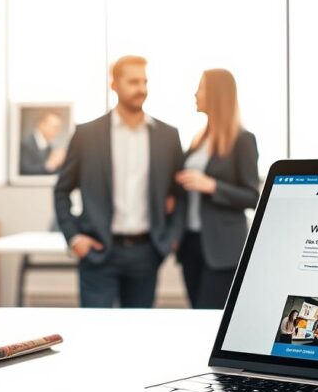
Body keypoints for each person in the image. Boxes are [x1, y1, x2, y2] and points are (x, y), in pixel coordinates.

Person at [54, 55, 185, 308]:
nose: (141, 89)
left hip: (147, 253)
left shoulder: (168, 136)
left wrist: (170, 241)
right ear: (113, 84)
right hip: (98, 251)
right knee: (95, 334)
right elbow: (62, 190)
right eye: (133, 81)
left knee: (137, 337)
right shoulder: (87, 135)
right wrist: (74, 238)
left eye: (145, 81)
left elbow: (180, 195)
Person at [175, 69, 260, 309]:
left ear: (216, 94)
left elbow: (253, 197)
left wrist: (211, 185)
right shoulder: (199, 139)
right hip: (192, 243)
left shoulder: (242, 140)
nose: (195, 94)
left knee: (209, 315)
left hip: (223, 248)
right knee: (196, 311)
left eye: (200, 88)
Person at [20, 111, 67, 175]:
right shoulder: (25, 144)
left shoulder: (50, 147)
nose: (57, 131)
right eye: (55, 127)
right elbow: (23, 170)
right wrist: (50, 165)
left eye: (58, 128)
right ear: (41, 124)